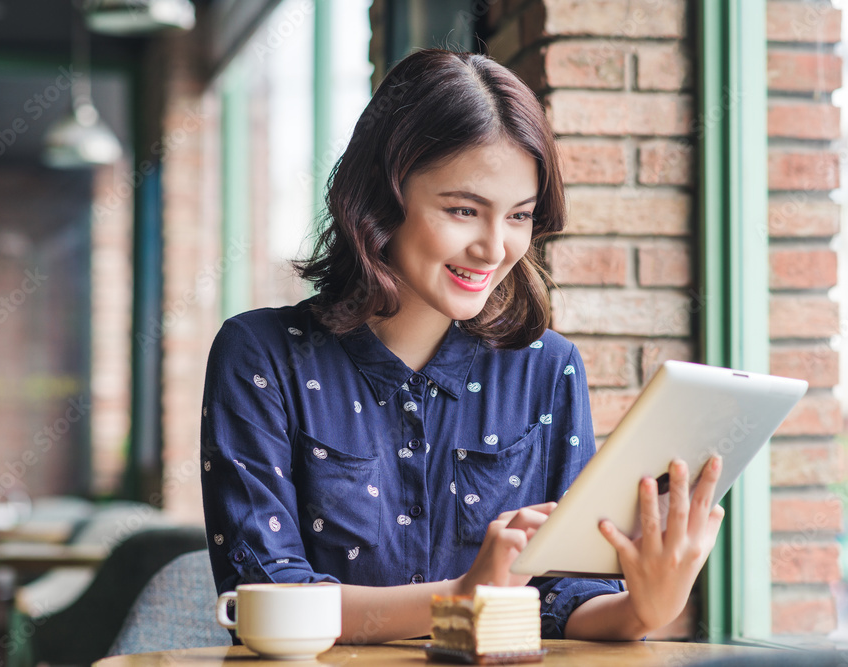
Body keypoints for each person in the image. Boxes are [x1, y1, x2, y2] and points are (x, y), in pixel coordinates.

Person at [200, 48, 725, 643]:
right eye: (463, 210)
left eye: (519, 216)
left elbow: (562, 594)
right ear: (381, 198)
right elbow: (263, 595)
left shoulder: (548, 369)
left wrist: (644, 608)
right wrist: (460, 598)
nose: (495, 248)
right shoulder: (261, 355)